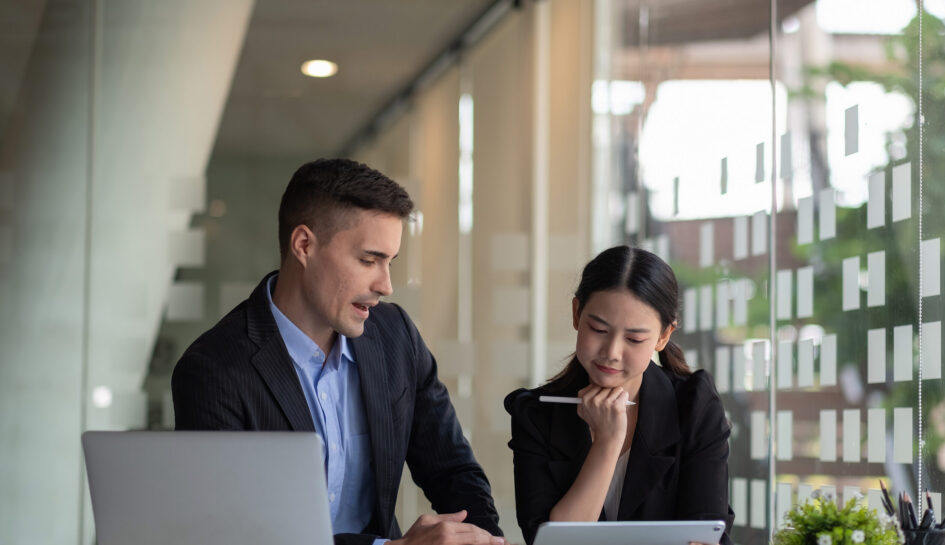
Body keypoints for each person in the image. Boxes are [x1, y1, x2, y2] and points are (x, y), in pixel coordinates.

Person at [172, 158, 504, 545]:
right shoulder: (213, 370)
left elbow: (453, 470)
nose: (386, 285)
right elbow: (233, 532)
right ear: (304, 245)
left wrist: (487, 541)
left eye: (389, 262)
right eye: (368, 260)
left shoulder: (396, 337)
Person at [504, 246, 734, 545]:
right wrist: (607, 443)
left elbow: (706, 535)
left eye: (634, 339)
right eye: (598, 329)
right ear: (576, 313)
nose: (612, 352)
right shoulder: (536, 413)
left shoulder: (694, 406)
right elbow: (551, 540)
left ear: (663, 336)